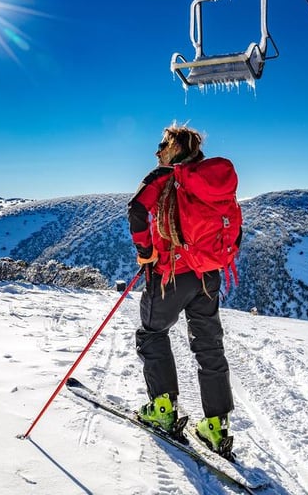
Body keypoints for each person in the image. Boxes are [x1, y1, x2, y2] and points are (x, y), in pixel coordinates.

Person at [127, 124, 238, 456]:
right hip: (209, 273)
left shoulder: (164, 177)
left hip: (172, 273)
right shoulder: (214, 180)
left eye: (162, 143)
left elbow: (136, 210)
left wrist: (145, 252)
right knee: (209, 345)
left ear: (175, 146)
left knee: (151, 332)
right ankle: (216, 427)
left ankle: (163, 409)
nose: (157, 150)